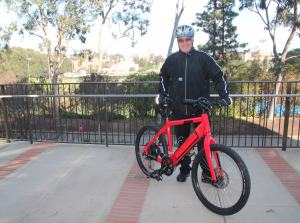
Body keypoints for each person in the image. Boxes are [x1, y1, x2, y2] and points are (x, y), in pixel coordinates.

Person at [158, 24, 232, 182]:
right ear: (178, 41)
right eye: (181, 40)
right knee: (183, 144)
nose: (185, 42)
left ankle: (206, 174)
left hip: (200, 109)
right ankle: (184, 170)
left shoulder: (203, 58)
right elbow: (163, 77)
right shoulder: (172, 60)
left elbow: (219, 76)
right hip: (178, 110)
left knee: (204, 146)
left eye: (188, 39)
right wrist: (163, 94)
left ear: (192, 39)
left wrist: (224, 95)